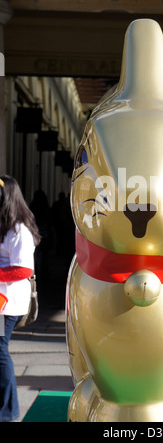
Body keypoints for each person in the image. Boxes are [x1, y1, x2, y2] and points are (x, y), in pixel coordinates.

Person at [0, 175, 40, 421]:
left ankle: (7, 412)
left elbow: (23, 269)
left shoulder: (19, 230)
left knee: (0, 351)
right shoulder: (5, 225)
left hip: (8, 301)